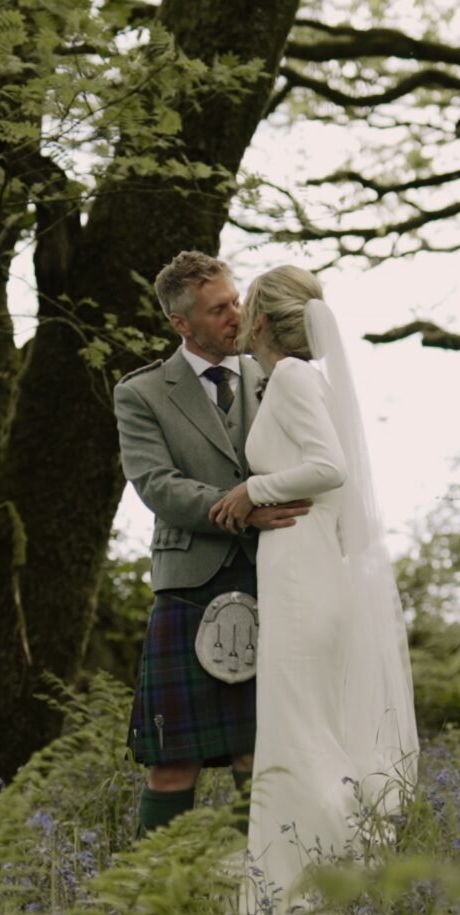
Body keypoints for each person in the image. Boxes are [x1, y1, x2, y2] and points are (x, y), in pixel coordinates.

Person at [205, 265, 420, 915]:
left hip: (301, 576)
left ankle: (312, 900)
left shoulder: (294, 378)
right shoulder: (295, 381)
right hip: (300, 568)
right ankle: (322, 883)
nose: (234, 314)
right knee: (302, 730)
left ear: (262, 321)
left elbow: (330, 468)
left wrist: (251, 489)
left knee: (298, 733)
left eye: (244, 306)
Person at [115, 252, 312, 837]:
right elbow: (156, 485)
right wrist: (242, 508)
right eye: (219, 309)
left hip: (274, 574)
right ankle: (156, 901)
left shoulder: (277, 372)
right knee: (173, 763)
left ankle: (259, 891)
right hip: (190, 584)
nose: (237, 315)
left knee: (262, 756)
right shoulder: (143, 392)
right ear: (182, 323)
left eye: (236, 301)